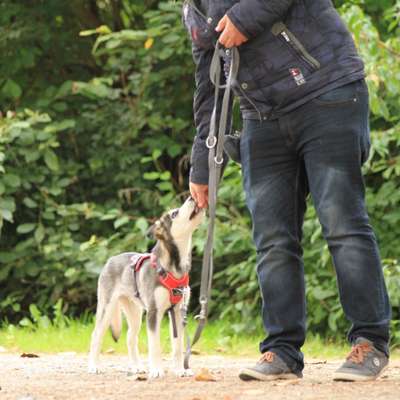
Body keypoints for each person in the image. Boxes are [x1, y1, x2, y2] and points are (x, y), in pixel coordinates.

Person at [183, 0, 391, 382]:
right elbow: (208, 87)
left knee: (341, 225)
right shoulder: (193, 11)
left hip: (327, 92)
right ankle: (281, 350)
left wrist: (245, 16)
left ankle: (371, 341)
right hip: (261, 117)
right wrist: (202, 162)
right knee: (272, 238)